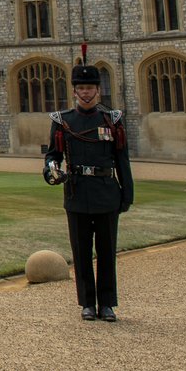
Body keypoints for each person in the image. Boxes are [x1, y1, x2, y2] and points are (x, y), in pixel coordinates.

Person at [44, 46, 134, 322]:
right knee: (82, 252)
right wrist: (50, 171)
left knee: (107, 251)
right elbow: (53, 155)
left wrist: (126, 195)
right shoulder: (63, 121)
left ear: (98, 90)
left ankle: (107, 304)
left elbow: (122, 159)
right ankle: (87, 303)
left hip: (106, 191)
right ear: (74, 91)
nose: (85, 93)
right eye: (81, 88)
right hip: (77, 192)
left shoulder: (112, 120)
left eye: (90, 88)